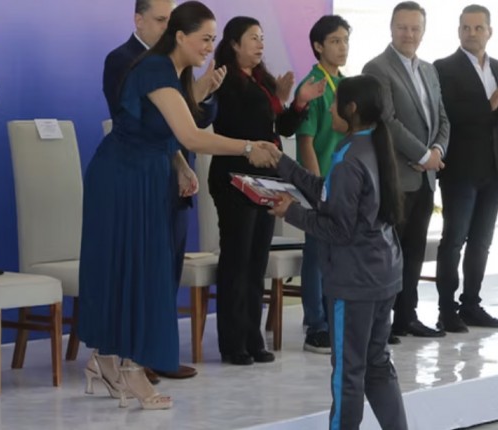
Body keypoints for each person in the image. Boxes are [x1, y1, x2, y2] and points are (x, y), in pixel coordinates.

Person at [78, 1, 278, 410]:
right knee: (134, 271)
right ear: (181, 37)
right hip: (123, 179)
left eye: (213, 39)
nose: (210, 47)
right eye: (205, 38)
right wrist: (246, 147)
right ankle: (131, 367)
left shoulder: (171, 71)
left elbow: (163, 130)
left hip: (146, 175)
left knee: (139, 270)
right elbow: (190, 136)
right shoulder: (155, 69)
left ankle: (107, 361)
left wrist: (181, 167)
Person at [269, 75, 408, 430]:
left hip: (355, 280)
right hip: (384, 272)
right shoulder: (374, 145)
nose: (329, 109)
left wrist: (291, 212)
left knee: (348, 372)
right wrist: (284, 164)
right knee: (378, 364)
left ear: (352, 108)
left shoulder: (348, 157)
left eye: (334, 103)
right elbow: (330, 196)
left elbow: (338, 229)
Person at [98, 0, 221, 383]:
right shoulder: (124, 60)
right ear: (139, 19)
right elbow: (143, 122)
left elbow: (192, 118)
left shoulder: (175, 63)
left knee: (168, 265)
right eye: (161, 20)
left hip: (170, 173)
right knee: (141, 266)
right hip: (138, 173)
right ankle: (134, 356)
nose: (167, 28)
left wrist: (202, 93)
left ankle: (158, 350)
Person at [209, 16, 325, 366]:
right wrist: (275, 105)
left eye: (262, 37)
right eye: (253, 38)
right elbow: (234, 126)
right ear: (233, 44)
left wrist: (297, 103)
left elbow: (280, 130)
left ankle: (253, 337)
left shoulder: (262, 80)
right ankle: (233, 343)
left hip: (266, 178)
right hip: (235, 177)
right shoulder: (224, 80)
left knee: (257, 259)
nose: (260, 44)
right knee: (237, 260)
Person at [432, 4, 498, 332]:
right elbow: (450, 116)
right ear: (458, 31)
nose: (472, 33)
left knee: (482, 242)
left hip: (493, 168)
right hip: (460, 167)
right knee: (453, 240)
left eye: (478, 28)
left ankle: (471, 305)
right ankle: (446, 310)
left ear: (489, 31)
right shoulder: (443, 67)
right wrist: (490, 106)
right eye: (466, 28)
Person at [362, 1, 449, 342]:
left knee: (414, 252)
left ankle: (406, 317)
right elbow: (388, 121)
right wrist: (424, 154)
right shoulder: (377, 68)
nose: (408, 34)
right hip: (397, 176)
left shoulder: (428, 70)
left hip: (425, 177)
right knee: (389, 253)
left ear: (423, 32)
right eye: (402, 27)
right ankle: (380, 322)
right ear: (391, 28)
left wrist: (437, 152)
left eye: (415, 28)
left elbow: (442, 118)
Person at [294, 15, 350, 355]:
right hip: (321, 184)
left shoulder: (345, 84)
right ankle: (316, 325)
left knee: (337, 255)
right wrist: (317, 188)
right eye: (335, 41)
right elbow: (306, 142)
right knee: (316, 254)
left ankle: (332, 318)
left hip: (344, 184)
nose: (342, 47)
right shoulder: (312, 86)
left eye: (345, 40)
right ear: (318, 46)